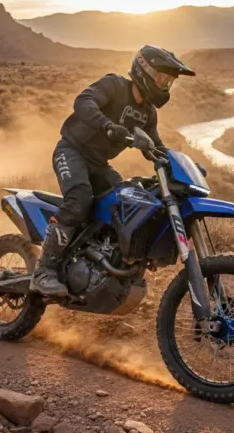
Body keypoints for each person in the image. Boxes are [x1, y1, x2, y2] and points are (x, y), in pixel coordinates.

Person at [30, 45, 196, 297]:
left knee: (122, 203)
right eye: (162, 79)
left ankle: (99, 263)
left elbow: (155, 146)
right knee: (79, 199)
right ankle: (44, 271)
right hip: (72, 151)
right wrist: (107, 124)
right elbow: (82, 101)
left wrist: (176, 166)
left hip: (99, 164)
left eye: (169, 82)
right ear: (145, 71)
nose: (165, 86)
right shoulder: (114, 85)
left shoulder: (148, 113)